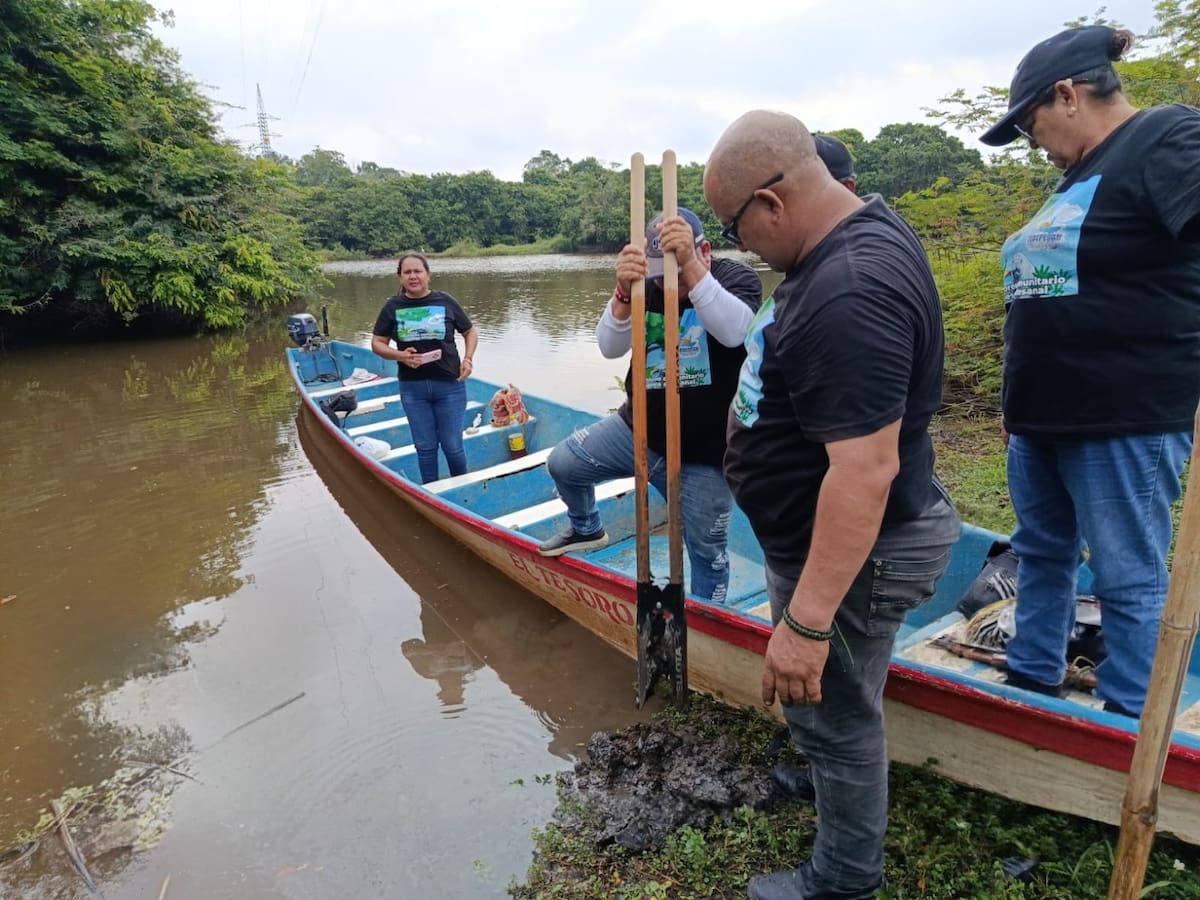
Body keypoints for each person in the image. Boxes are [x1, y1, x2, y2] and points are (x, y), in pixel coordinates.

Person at [705, 110, 960, 899]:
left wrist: (807, 624)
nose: (738, 246)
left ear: (772, 202)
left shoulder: (847, 288)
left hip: (858, 545)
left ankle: (843, 879)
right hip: (840, 535)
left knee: (836, 713)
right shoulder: (861, 235)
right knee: (842, 705)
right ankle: (831, 778)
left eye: (734, 225)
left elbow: (863, 473)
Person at [979, 26, 1200, 717]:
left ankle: (1129, 720)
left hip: (1123, 416)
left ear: (1068, 95)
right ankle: (1034, 681)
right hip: (1042, 423)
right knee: (1042, 556)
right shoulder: (1076, 178)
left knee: (1126, 576)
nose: (1032, 143)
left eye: (1030, 124)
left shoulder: (1166, 138)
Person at [537, 207, 762, 605]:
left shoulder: (735, 279)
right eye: (661, 268)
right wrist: (624, 290)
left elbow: (734, 334)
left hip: (706, 454)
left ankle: (706, 620)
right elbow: (609, 347)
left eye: (675, 265)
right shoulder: (648, 286)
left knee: (708, 554)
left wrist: (691, 269)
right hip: (637, 429)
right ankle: (587, 527)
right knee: (564, 464)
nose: (667, 279)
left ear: (704, 249)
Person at [371, 253, 479, 484]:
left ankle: (462, 489)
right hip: (413, 389)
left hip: (450, 385)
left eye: (417, 271)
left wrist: (468, 359)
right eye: (407, 272)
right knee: (425, 447)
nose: (413, 276)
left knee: (452, 445)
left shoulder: (446, 301)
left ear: (428, 275)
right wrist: (400, 355)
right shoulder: (393, 306)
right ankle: (432, 492)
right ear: (400, 277)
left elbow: (470, 331)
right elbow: (377, 343)